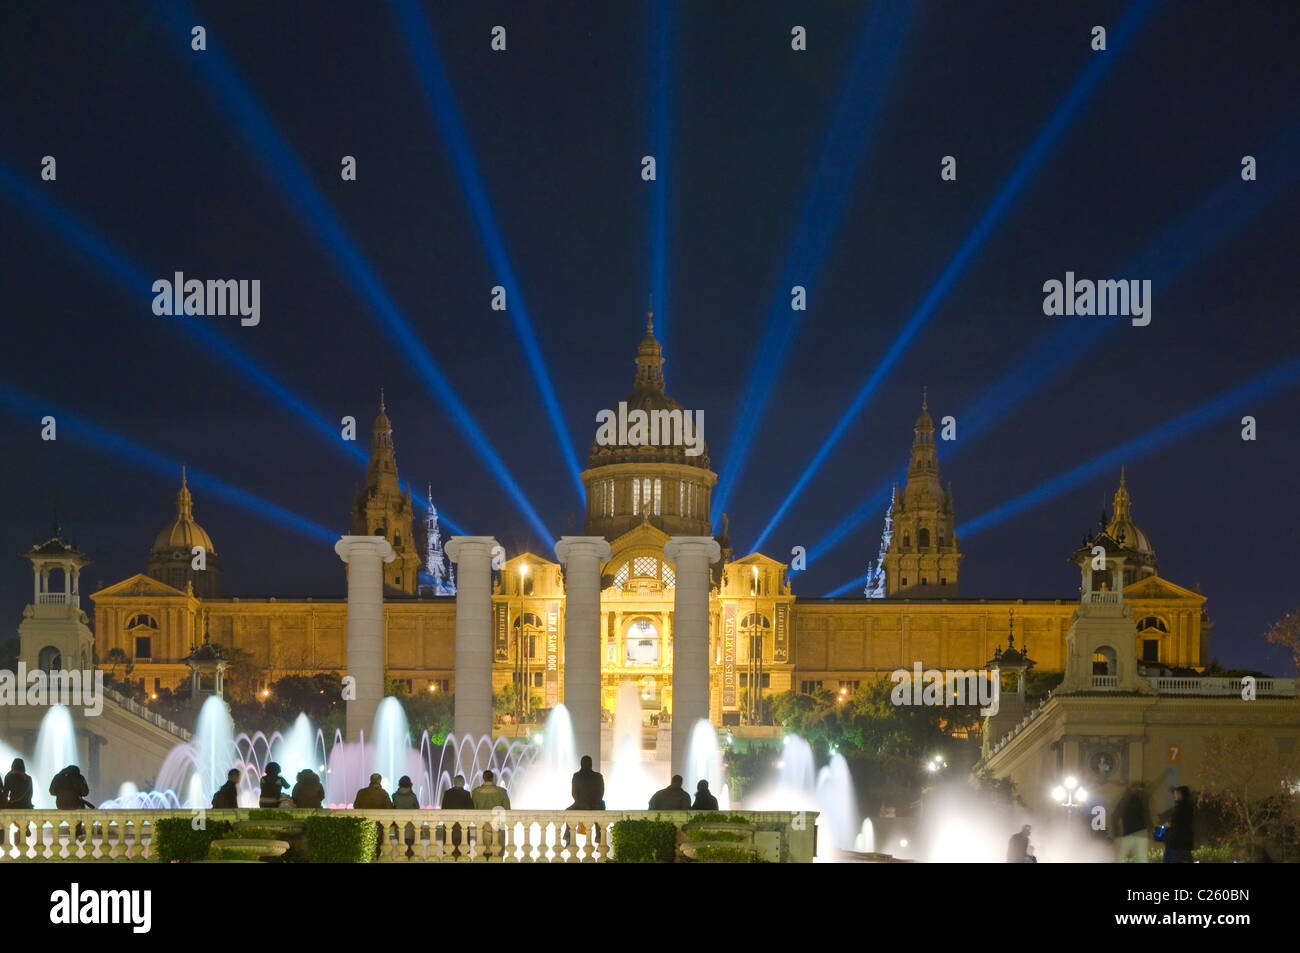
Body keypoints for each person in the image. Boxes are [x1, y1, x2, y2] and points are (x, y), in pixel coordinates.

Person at [1114, 783, 1150, 863]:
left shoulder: (1135, 800)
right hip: (1137, 832)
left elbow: (1117, 814)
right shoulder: (1139, 800)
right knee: (1141, 858)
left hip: (1133, 832)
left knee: (1122, 857)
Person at [1161, 786, 1195, 863]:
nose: (1175, 795)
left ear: (1181, 794)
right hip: (1183, 841)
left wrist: (1170, 824)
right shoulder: (1186, 806)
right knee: (1185, 858)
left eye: (1176, 793)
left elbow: (1179, 822)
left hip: (1179, 841)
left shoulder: (1182, 807)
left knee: (1179, 858)